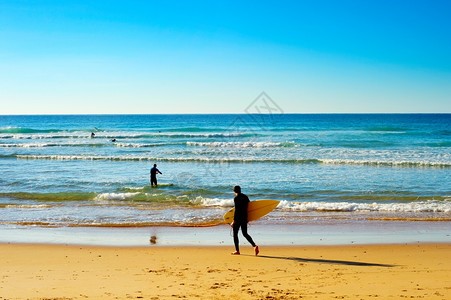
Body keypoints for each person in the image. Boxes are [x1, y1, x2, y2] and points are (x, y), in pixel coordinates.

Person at [230, 185, 259, 256]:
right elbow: (249, 208)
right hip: (244, 217)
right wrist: (248, 218)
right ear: (240, 190)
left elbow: (236, 210)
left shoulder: (236, 198)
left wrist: (234, 221)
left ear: (234, 191)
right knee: (245, 233)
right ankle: (254, 246)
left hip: (238, 218)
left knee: (235, 234)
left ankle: (237, 250)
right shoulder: (245, 197)